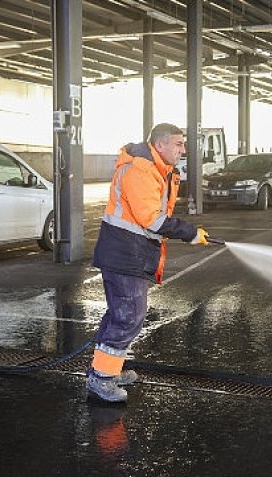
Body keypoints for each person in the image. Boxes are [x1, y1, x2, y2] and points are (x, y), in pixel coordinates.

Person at [87, 123, 210, 403]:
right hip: (124, 254)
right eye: (178, 144)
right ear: (160, 144)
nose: (182, 150)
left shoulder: (158, 169)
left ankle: (105, 370)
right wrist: (188, 232)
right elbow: (151, 219)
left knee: (120, 315)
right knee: (129, 316)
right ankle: (102, 380)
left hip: (130, 252)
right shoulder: (141, 170)